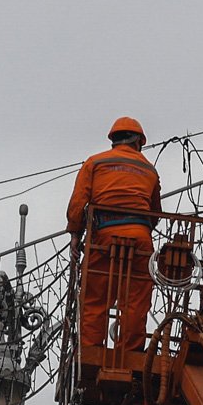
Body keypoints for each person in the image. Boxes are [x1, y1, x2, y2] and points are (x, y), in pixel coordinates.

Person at [66, 117, 162, 352]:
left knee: (95, 297)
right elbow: (155, 213)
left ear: (113, 140)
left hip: (103, 237)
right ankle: (130, 352)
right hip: (140, 238)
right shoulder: (150, 169)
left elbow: (79, 202)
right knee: (135, 300)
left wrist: (75, 234)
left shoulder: (95, 163)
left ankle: (90, 351)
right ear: (139, 141)